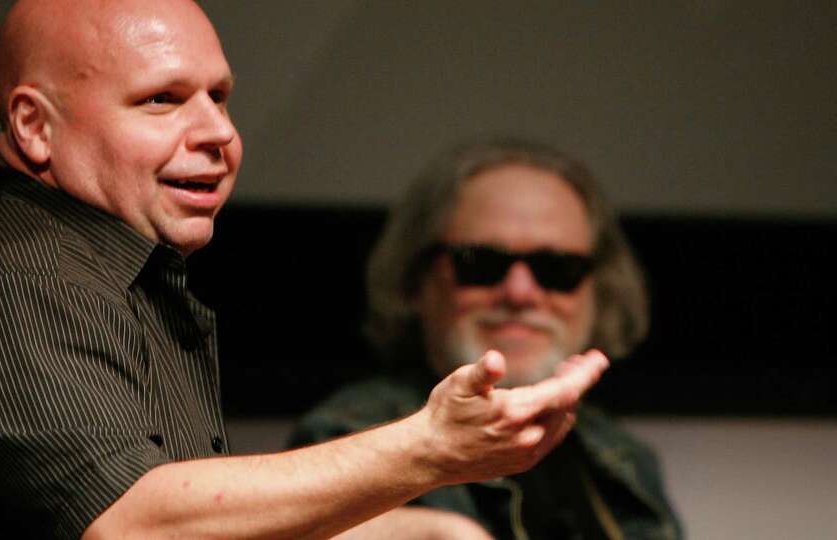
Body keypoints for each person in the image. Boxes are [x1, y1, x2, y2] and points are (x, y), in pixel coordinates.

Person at [0, 2, 612, 539]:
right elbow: (131, 525)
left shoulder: (100, 275)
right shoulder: (27, 280)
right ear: (36, 127)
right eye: (162, 100)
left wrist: (425, 534)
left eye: (220, 97)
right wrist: (428, 450)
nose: (220, 135)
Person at [289, 138, 684, 539]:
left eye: (557, 268)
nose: (520, 292)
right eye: (480, 263)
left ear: (598, 289)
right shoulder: (346, 435)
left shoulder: (624, 457)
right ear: (415, 280)